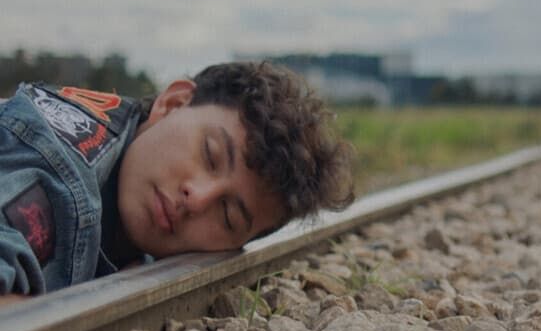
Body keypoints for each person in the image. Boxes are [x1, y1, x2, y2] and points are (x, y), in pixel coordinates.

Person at [0, 61, 354, 300]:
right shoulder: (49, 161)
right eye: (210, 155)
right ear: (172, 103)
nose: (197, 199)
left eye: (228, 215)